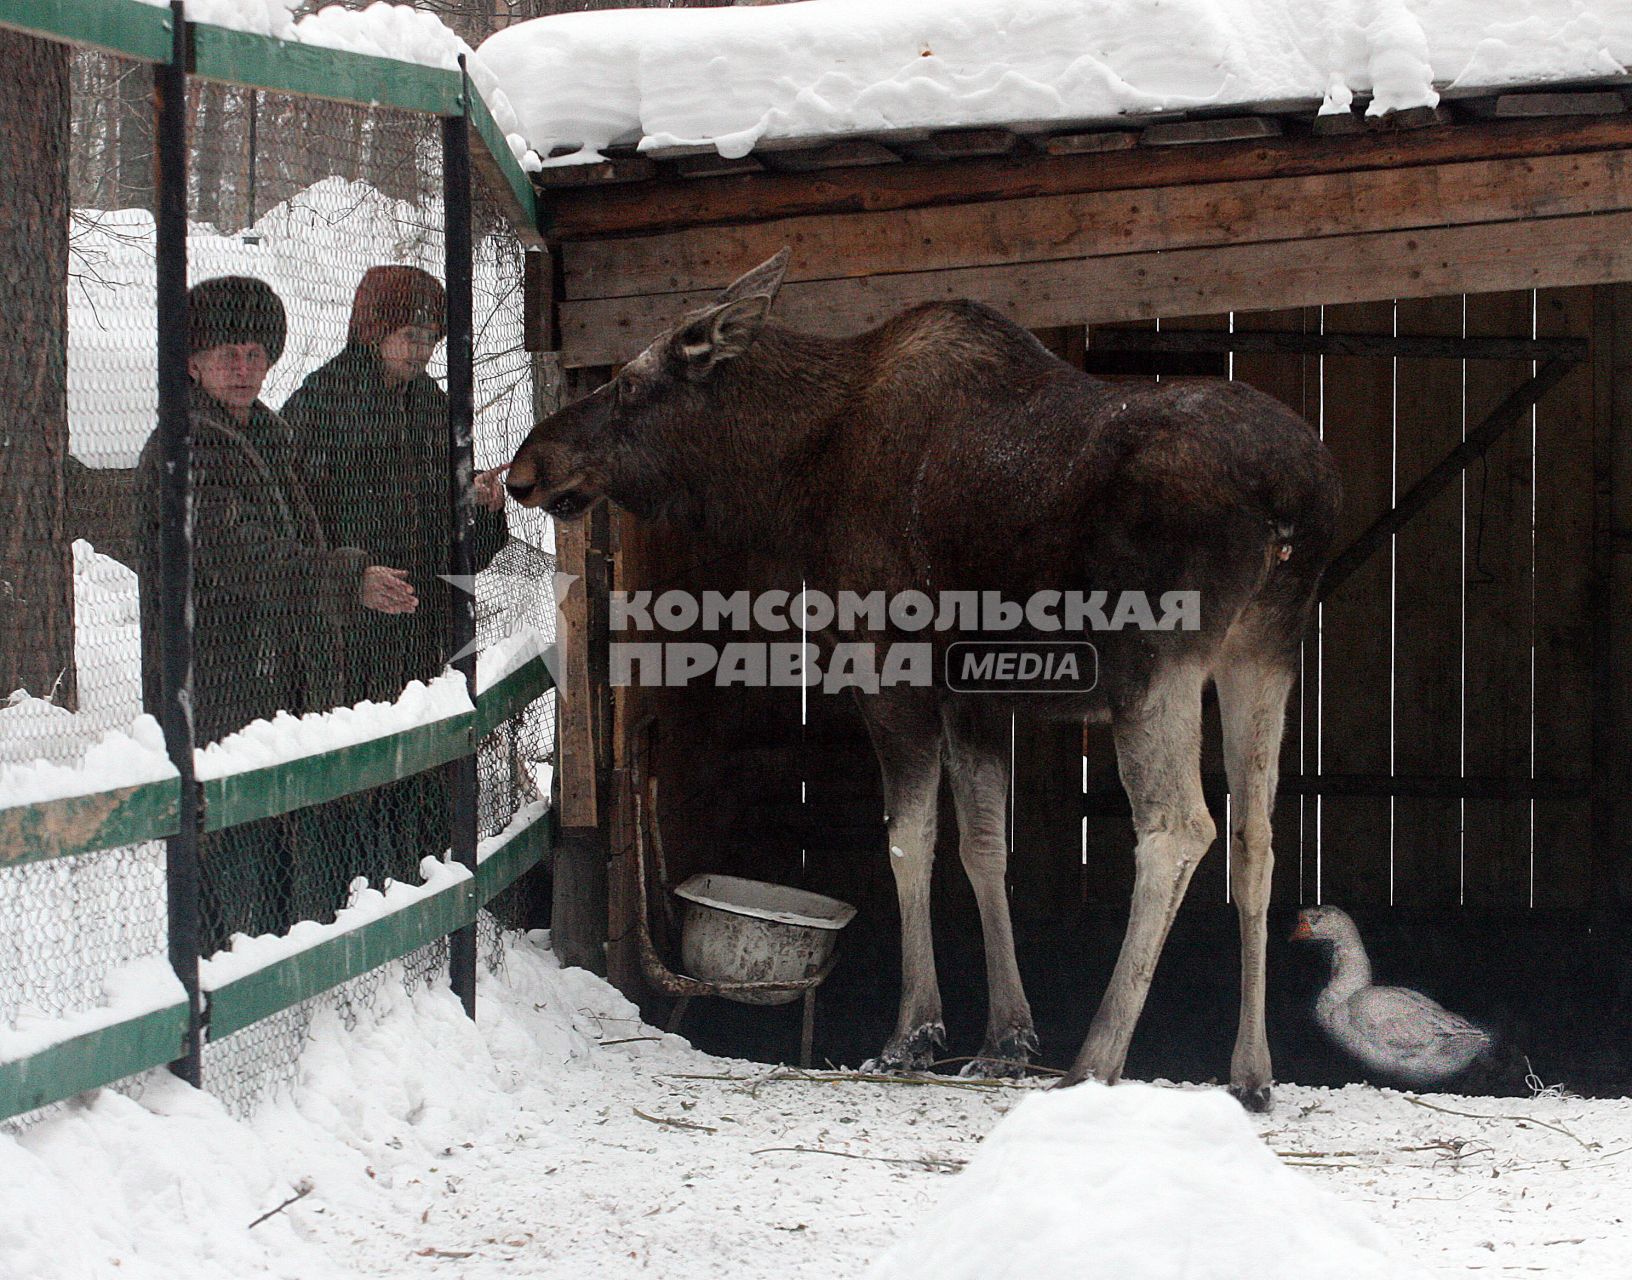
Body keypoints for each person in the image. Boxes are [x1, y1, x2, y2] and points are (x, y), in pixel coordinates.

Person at [136, 275, 414, 948]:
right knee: (226, 865)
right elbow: (237, 555)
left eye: (256, 353)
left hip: (279, 691)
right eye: (228, 352)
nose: (244, 367)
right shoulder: (183, 447)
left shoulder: (269, 439)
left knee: (276, 870)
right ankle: (210, 1007)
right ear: (192, 362)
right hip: (215, 692)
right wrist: (346, 578)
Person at [281, 266, 508, 889]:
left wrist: (484, 512)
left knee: (422, 780)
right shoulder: (319, 404)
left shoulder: (436, 409)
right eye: (410, 334)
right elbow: (293, 533)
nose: (423, 349)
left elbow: (463, 550)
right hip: (343, 639)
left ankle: (420, 905)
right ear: (372, 329)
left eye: (432, 337)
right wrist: (347, 578)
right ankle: (350, 904)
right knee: (356, 778)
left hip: (424, 632)